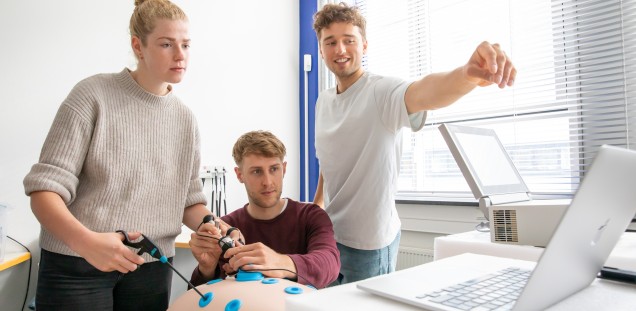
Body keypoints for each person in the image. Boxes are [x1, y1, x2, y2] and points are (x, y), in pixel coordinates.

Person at [22, 0, 213, 309]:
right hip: (78, 265)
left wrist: (210, 224)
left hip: (151, 268)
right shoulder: (91, 96)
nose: (180, 55)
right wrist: (87, 244)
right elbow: (43, 192)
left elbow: (189, 200)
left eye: (186, 45)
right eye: (166, 44)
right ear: (138, 46)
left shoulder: (185, 119)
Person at [311, 3, 517, 285]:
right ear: (321, 50)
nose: (340, 49)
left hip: (369, 244)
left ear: (365, 45)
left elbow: (426, 91)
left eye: (349, 40)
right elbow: (328, 158)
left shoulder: (381, 92)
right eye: (330, 42)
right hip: (331, 236)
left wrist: (466, 75)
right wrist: (316, 208)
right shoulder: (323, 101)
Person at [189, 130, 340, 289]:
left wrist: (279, 263)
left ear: (284, 169)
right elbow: (202, 298)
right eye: (256, 171)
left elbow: (330, 264)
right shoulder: (228, 228)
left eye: (274, 169)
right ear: (239, 174)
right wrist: (206, 269)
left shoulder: (311, 216)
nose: (267, 182)